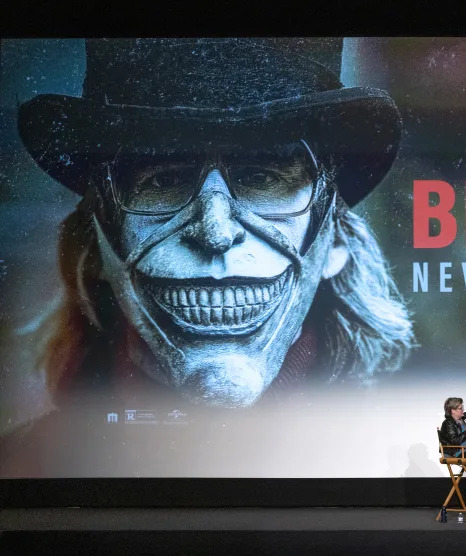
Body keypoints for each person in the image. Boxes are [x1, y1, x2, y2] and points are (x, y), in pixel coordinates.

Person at [14, 38, 416, 410]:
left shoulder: (400, 460)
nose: (217, 232)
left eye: (262, 178)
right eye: (164, 180)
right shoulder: (29, 465)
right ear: (95, 243)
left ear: (336, 240)